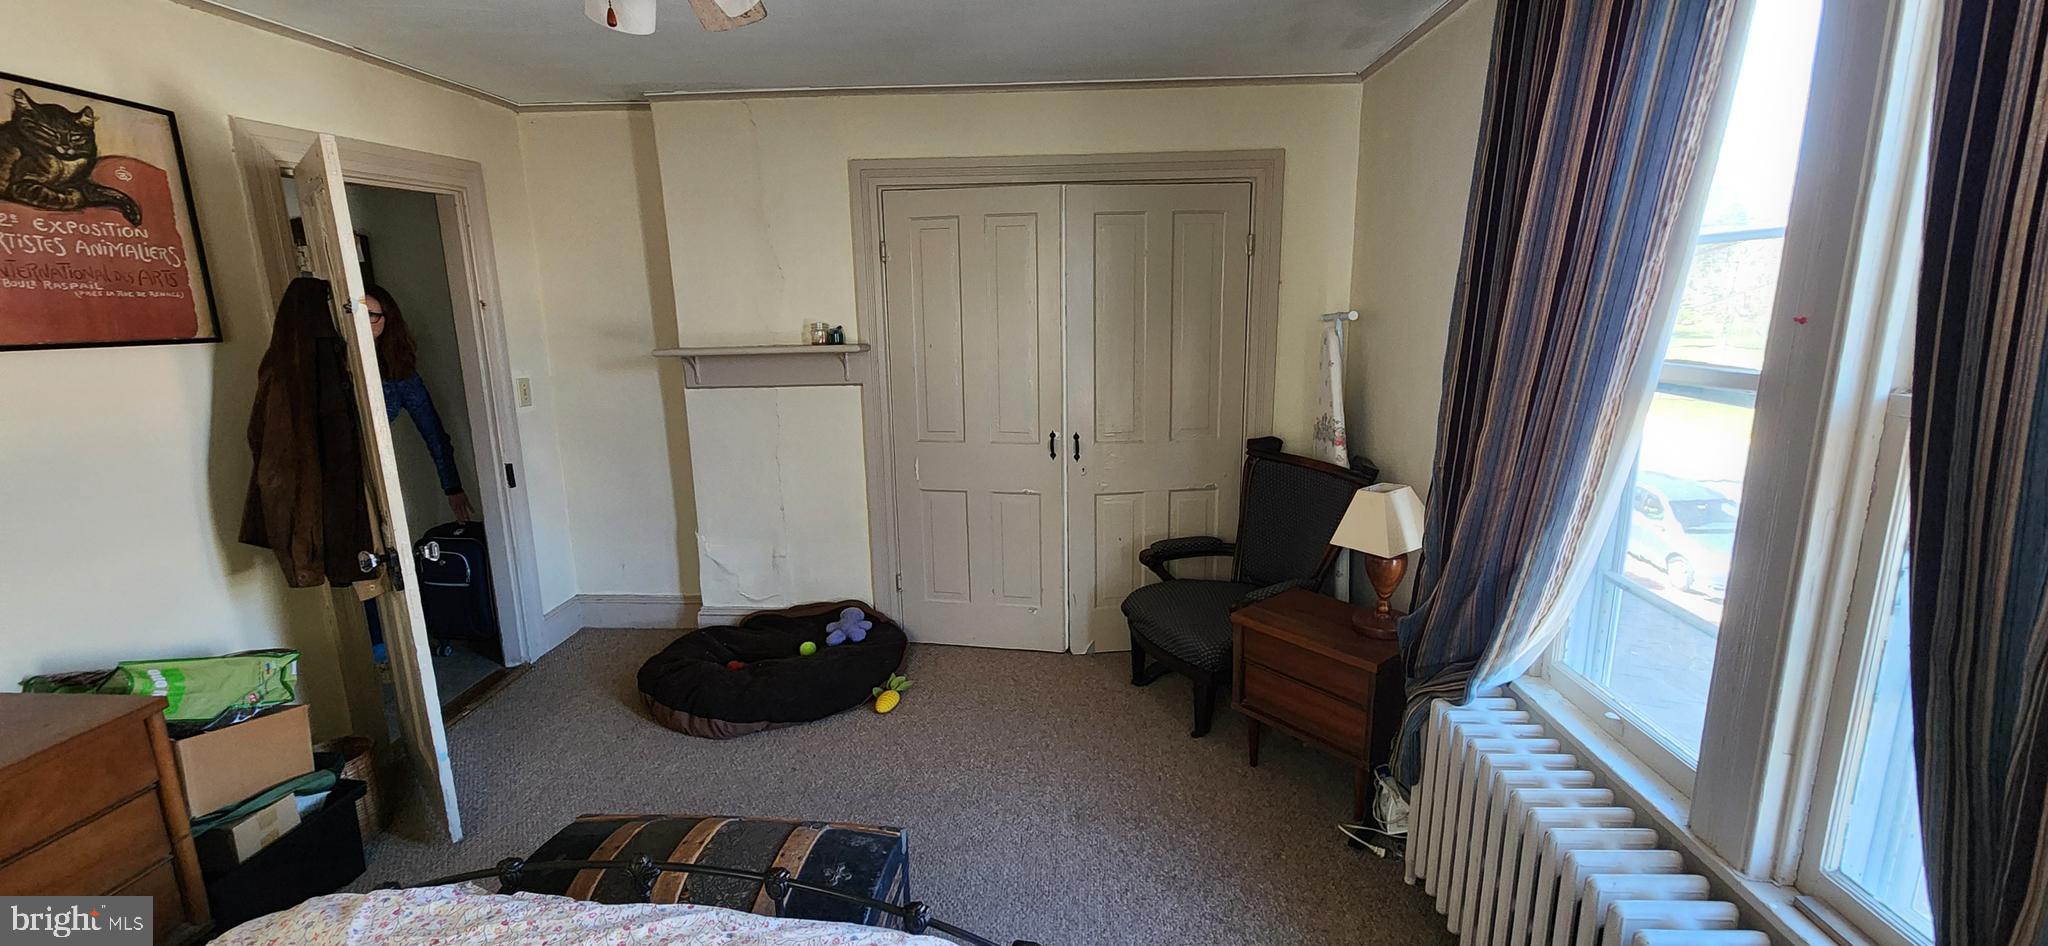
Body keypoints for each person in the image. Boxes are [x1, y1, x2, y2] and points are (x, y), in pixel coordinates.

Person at [365, 285, 472, 523]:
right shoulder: (335, 359)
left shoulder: (400, 376)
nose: (364, 323)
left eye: (372, 315)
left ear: (386, 320)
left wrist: (452, 487)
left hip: (370, 466)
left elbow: (434, 434)